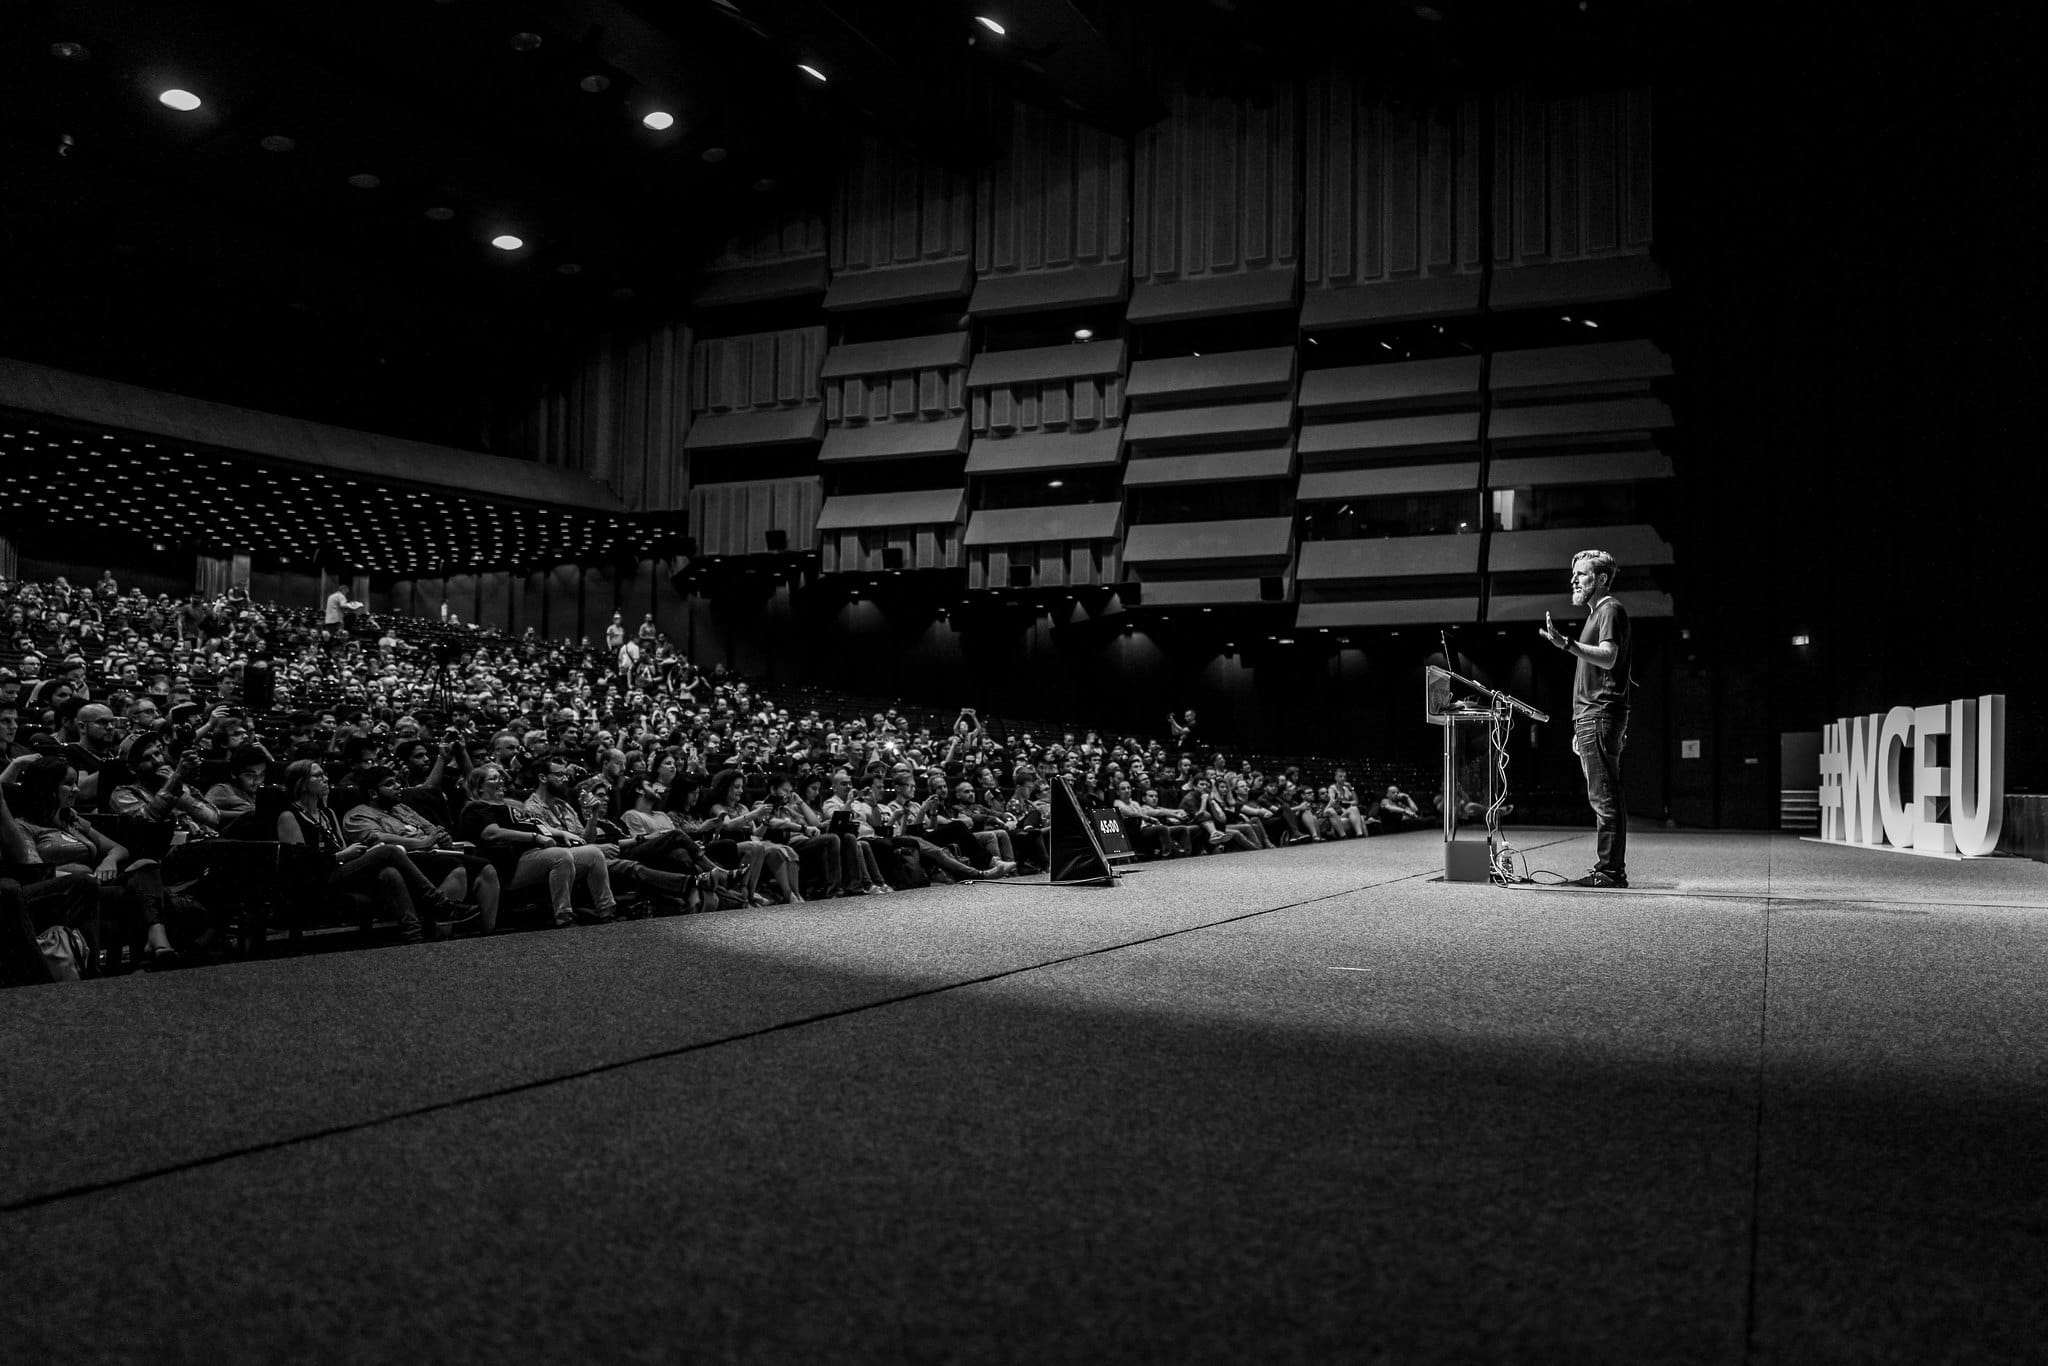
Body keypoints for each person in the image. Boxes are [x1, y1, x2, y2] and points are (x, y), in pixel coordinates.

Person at [1540, 547, 1633, 888]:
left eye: (1581, 574)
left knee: (1604, 795)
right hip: (1591, 718)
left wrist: (1567, 645)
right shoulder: (1596, 614)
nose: (1573, 580)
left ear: (1602, 578)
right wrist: (1580, 726)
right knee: (1603, 793)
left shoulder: (1610, 609)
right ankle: (1608, 869)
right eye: (1574, 574)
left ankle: (1609, 872)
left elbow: (1608, 658)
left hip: (1600, 714)